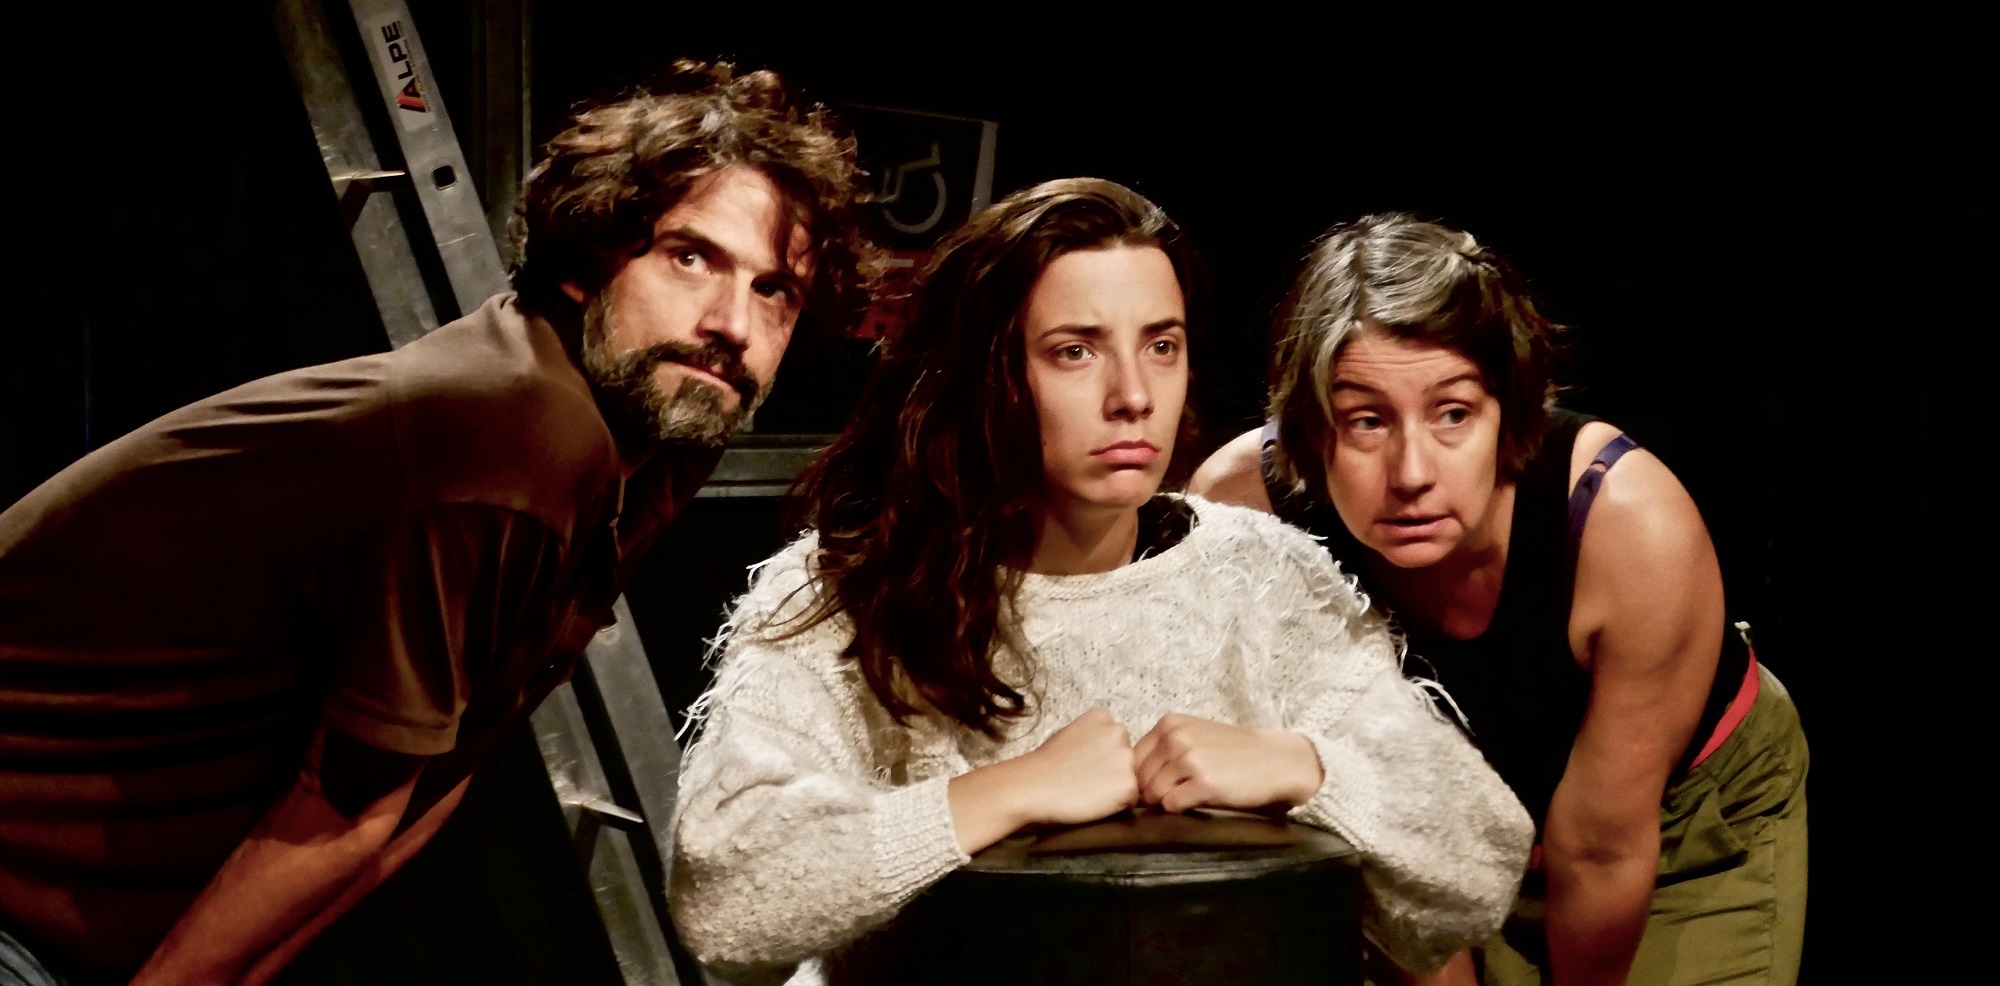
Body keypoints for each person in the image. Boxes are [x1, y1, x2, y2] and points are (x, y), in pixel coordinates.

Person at [0, 61, 871, 986]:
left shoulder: (650, 441)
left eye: (774, 290)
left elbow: (434, 778)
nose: (732, 323)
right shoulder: (521, 428)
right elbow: (346, 806)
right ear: (588, 263)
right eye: (690, 257)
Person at [667, 179, 1532, 986]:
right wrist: (1009, 793)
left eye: (1161, 346)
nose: (1133, 395)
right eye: (1075, 351)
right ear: (989, 372)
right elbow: (726, 897)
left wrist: (1305, 769)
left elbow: (1478, 864)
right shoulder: (844, 593)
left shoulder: (1266, 582)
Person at [1191, 213, 1809, 985]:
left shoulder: (1627, 528)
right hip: (1410, 824)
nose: (1412, 473)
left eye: (1453, 413)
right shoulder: (1245, 516)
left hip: (1678, 824)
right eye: (1366, 421)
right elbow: (1356, 813)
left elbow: (1602, 849)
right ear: (1313, 429)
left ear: (1508, 412)